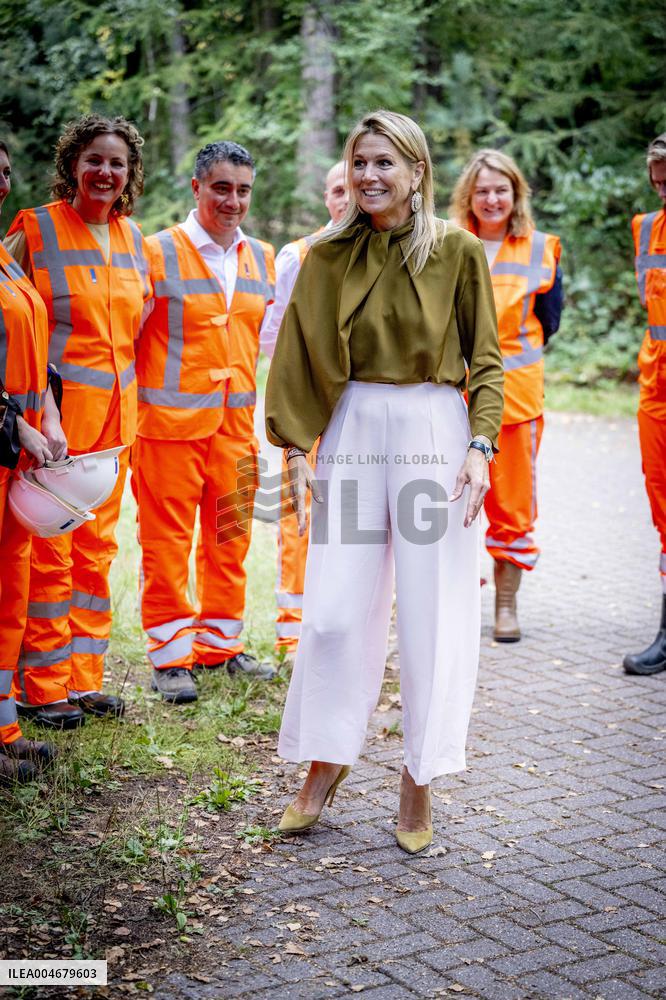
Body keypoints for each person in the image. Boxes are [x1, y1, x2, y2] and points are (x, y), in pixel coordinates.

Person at [265, 110, 503, 853]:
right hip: (354, 430)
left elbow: (488, 362)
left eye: (385, 164)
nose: (369, 176)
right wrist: (297, 452)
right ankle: (326, 759)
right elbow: (298, 361)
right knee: (334, 612)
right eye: (360, 162)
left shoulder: (458, 252)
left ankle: (418, 776)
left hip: (434, 431)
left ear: (417, 172)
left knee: (433, 615)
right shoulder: (326, 256)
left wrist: (480, 446)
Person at [5, 114, 150, 728]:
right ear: (71, 165)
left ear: (130, 173)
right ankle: (43, 686)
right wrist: (36, 413)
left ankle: (85, 678)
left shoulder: (134, 237)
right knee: (52, 550)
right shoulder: (33, 229)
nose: (105, 172)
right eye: (94, 160)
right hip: (56, 423)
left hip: (118, 423)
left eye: (117, 163)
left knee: (96, 550)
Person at [134, 141, 277, 705]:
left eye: (243, 190)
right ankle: (171, 658)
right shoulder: (155, 253)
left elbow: (270, 342)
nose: (233, 200)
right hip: (167, 429)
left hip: (236, 426)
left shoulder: (262, 257)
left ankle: (221, 645)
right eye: (222, 188)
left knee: (230, 538)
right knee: (166, 544)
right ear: (196, 188)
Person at [450, 150, 563, 642]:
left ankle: (505, 605)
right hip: (453, 398)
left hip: (516, 401)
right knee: (450, 500)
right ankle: (455, 602)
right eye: (482, 191)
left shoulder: (541, 249)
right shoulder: (450, 244)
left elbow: (550, 321)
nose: (492, 199)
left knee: (512, 505)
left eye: (501, 190)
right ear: (468, 197)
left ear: (516, 194)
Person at [262, 161, 349, 657]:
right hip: (310, 404)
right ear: (325, 197)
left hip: (359, 405)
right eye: (336, 190)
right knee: (301, 513)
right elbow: (273, 334)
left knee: (354, 516)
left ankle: (340, 628)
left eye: (351, 190)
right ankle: (294, 633)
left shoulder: (376, 248)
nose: (345, 198)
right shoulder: (298, 255)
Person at [0, 140, 57, 779]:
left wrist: (50, 412)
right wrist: (16, 422)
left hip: (16, 456)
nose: (2, 184)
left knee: (10, 589)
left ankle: (6, 727)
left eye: (7, 173)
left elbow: (35, 348)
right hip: (8, 439)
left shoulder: (7, 262)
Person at [624, 133, 666, 676]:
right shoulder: (646, 228)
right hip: (656, 386)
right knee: (662, 510)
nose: (662, 191)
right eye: (657, 182)